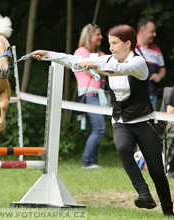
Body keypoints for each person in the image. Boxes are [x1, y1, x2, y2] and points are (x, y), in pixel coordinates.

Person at [31, 24, 174, 218]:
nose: (111, 48)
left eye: (115, 43)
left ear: (128, 43)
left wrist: (93, 65)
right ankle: (144, 193)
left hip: (144, 121)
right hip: (121, 120)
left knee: (157, 170)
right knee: (123, 148)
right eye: (109, 43)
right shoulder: (107, 59)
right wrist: (48, 54)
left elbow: (118, 69)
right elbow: (75, 59)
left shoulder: (139, 63)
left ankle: (168, 210)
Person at [74, 24, 105, 169]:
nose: (101, 37)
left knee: (97, 129)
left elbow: (108, 69)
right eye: (97, 34)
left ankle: (92, 161)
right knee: (99, 128)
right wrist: (101, 68)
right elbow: (89, 71)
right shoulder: (80, 52)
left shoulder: (101, 54)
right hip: (89, 94)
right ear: (89, 36)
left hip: (99, 95)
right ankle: (87, 162)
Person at [135, 18, 166, 110]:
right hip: (133, 95)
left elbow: (162, 69)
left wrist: (159, 76)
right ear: (142, 31)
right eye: (152, 32)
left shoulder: (156, 49)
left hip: (152, 93)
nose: (155, 34)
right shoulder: (129, 47)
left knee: (151, 122)